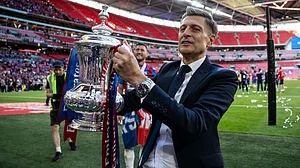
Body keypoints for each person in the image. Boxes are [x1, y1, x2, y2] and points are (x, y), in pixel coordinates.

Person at [113, 6, 238, 168]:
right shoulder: (167, 70)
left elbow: (194, 124)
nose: (186, 33)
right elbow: (130, 101)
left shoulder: (222, 77)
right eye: (183, 29)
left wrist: (138, 77)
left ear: (211, 40)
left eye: (195, 29)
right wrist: (103, 97)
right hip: (149, 162)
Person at [118, 43, 156, 168]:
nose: (139, 52)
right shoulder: (125, 69)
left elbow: (157, 91)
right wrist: (118, 109)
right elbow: (119, 88)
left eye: (142, 50)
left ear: (147, 53)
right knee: (128, 143)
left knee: (144, 143)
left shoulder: (152, 71)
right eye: (137, 50)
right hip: (130, 111)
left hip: (147, 112)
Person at [46, 60, 76, 162]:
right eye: (56, 69)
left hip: (67, 105)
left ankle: (71, 140)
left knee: (71, 124)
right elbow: (47, 94)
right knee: (55, 127)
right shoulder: (49, 78)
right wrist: (60, 96)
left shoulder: (69, 76)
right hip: (55, 106)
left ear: (63, 68)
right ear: (53, 69)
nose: (57, 71)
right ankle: (58, 151)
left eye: (59, 69)